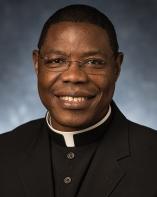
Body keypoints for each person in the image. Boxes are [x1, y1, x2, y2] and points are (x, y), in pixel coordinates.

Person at [0, 4, 157, 197]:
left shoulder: (152, 156)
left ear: (116, 67)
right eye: (57, 60)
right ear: (37, 64)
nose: (74, 76)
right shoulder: (4, 151)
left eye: (93, 62)